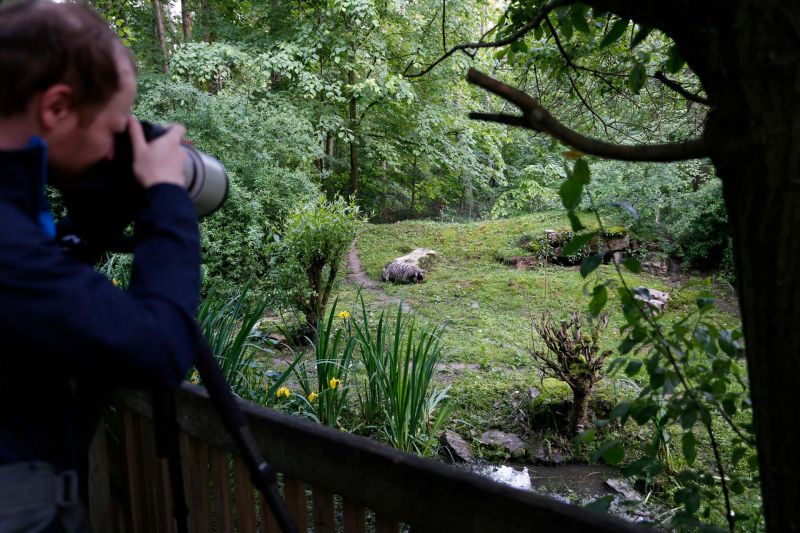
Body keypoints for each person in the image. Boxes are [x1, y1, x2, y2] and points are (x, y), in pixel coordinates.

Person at [0, 1, 202, 530]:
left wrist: (90, 220)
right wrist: (166, 196)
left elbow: (39, 292)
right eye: (116, 126)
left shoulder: (18, 218)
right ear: (58, 107)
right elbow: (158, 348)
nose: (119, 146)